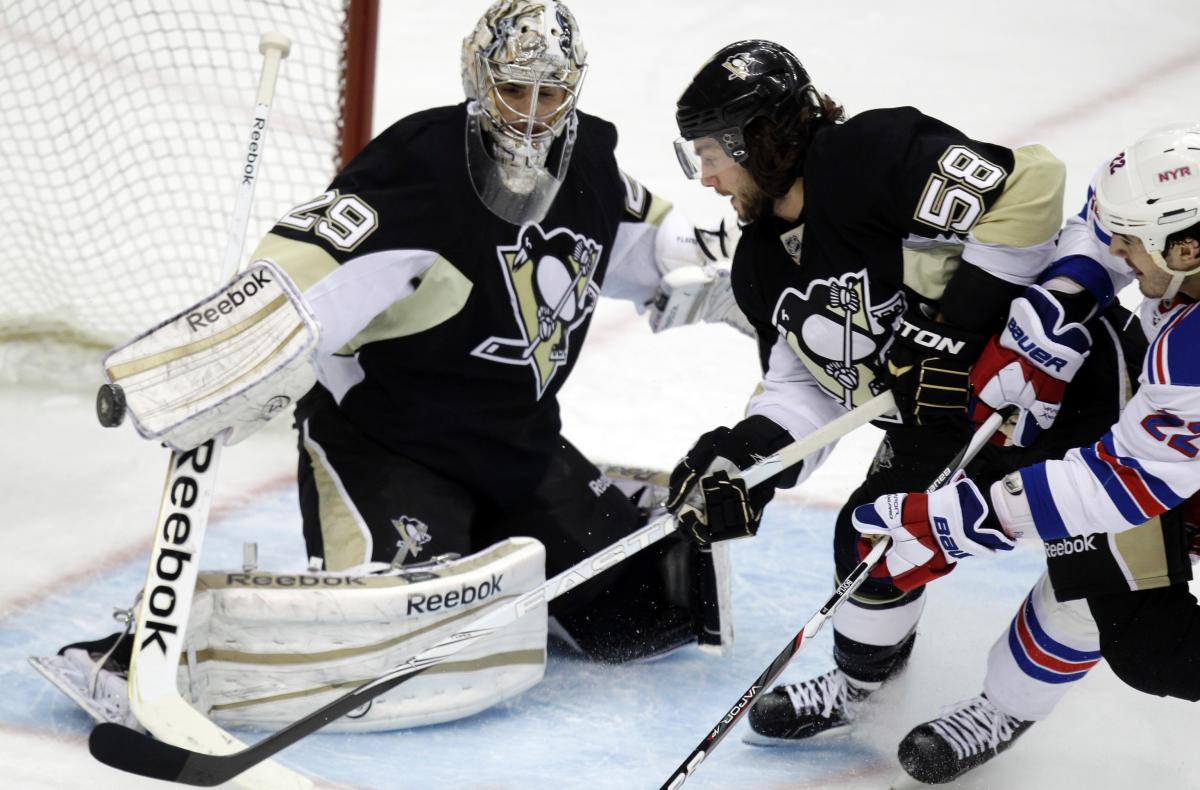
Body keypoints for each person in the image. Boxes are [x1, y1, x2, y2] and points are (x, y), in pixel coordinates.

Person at [34, 0, 753, 733]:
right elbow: (304, 273)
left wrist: (755, 279)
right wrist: (217, 353)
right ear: (479, 76)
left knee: (648, 611)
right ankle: (149, 653)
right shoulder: (420, 167)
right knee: (408, 644)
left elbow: (657, 244)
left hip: (517, 443)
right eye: (515, 89)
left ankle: (503, 534)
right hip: (386, 442)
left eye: (552, 92)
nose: (534, 116)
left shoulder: (590, 163)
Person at [663, 40, 1182, 784]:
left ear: (761, 137)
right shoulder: (762, 263)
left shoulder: (868, 156)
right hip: (942, 419)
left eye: (713, 152)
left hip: (1079, 394)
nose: (706, 177)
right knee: (872, 543)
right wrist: (751, 460)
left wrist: (952, 324)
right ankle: (862, 687)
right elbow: (813, 385)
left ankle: (1005, 707)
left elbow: (1031, 185)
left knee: (1096, 586)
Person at [853, 123, 1200, 779]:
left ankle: (1006, 707)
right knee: (1104, 581)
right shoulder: (1175, 226)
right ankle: (1004, 707)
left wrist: (970, 518)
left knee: (1156, 649)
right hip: (1172, 434)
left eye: (1137, 241)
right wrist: (1064, 296)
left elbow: (1122, 484)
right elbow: (1098, 232)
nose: (1122, 249)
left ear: (1188, 250)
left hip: (1163, 449)